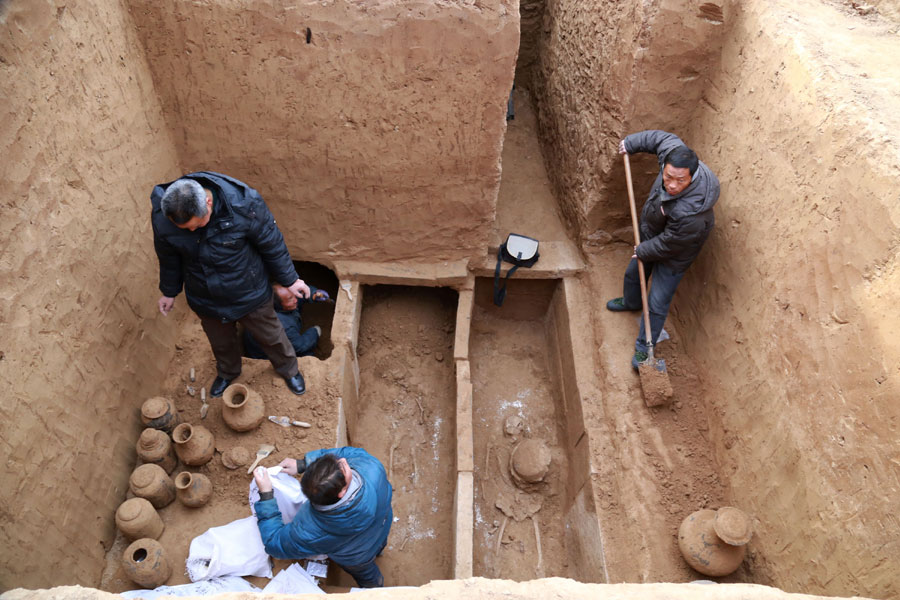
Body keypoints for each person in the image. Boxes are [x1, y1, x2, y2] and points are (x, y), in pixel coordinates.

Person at [151, 171, 309, 397]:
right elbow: (168, 258)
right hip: (205, 295)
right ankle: (228, 372)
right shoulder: (164, 216)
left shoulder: (244, 205)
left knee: (272, 336)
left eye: (197, 224)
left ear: (208, 202)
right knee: (221, 343)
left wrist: (290, 280)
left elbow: (270, 243)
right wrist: (169, 291)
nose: (193, 231)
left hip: (249, 290)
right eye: (186, 229)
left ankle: (289, 370)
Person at [606, 130, 720, 369]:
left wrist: (645, 250)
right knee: (632, 274)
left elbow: (671, 243)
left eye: (681, 181)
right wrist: (631, 143)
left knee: (658, 302)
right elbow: (659, 138)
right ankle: (631, 302)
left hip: (676, 251)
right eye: (668, 177)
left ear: (693, 176)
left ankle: (643, 348)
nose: (672, 185)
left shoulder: (692, 212)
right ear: (666, 166)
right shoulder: (673, 153)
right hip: (655, 230)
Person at [253, 447, 393, 588]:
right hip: (382, 526)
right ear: (342, 491)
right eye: (343, 467)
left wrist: (266, 495)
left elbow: (274, 543)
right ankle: (379, 555)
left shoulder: (309, 530)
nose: (343, 460)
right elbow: (349, 453)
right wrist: (304, 463)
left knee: (366, 575)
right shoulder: (371, 467)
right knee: (378, 544)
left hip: (356, 557)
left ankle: (373, 589)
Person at [243, 283, 325, 359]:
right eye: (290, 299)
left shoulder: (275, 300)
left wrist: (314, 294)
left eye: (294, 295)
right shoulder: (281, 325)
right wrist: (315, 332)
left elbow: (299, 293)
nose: (295, 300)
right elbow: (300, 346)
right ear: (278, 304)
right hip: (267, 357)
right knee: (306, 354)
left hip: (280, 336)